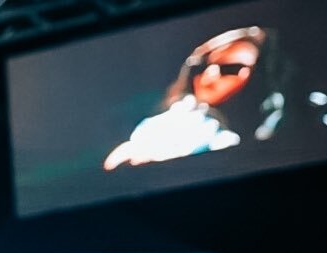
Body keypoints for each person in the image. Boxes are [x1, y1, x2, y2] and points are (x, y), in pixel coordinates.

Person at [103, 25, 298, 171]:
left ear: (261, 76)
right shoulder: (166, 125)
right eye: (202, 66)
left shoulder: (283, 129)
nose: (209, 75)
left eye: (229, 68)